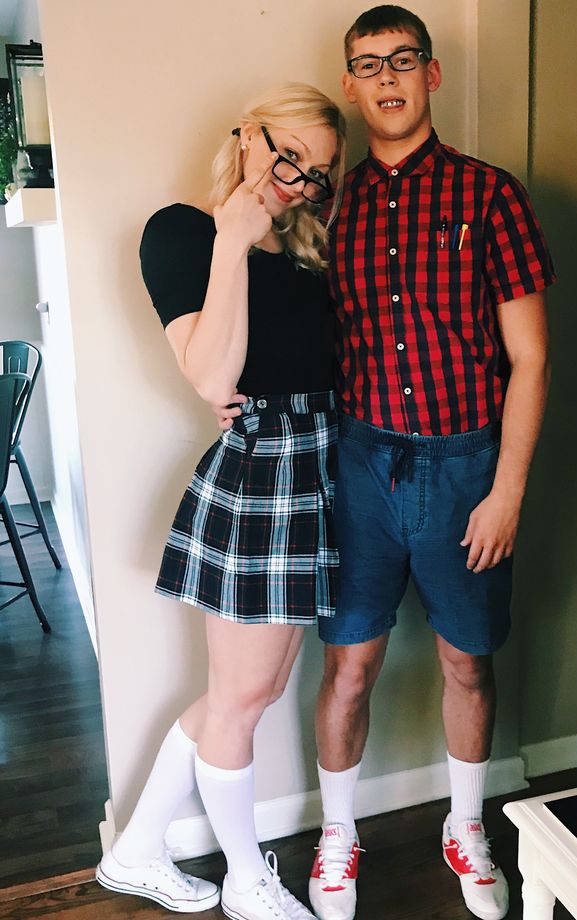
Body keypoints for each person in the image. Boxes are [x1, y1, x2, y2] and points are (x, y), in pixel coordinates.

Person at [214, 8, 555, 919]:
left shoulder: (492, 195)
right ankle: (336, 837)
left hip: (465, 468)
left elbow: (529, 356)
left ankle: (468, 828)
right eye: (368, 65)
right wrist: (221, 385)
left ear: (431, 76)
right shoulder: (331, 205)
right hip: (357, 465)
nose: (388, 77)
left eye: (404, 59)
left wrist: (507, 490)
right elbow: (273, 318)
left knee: (468, 664)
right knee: (350, 668)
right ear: (353, 84)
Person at [95, 83, 346, 920]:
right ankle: (247, 883)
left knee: (252, 692)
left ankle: (135, 850)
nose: (297, 180)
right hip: (265, 475)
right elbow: (211, 376)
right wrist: (234, 241)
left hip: (321, 465)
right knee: (241, 699)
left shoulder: (308, 250)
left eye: (315, 173)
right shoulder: (181, 233)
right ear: (248, 135)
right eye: (287, 156)